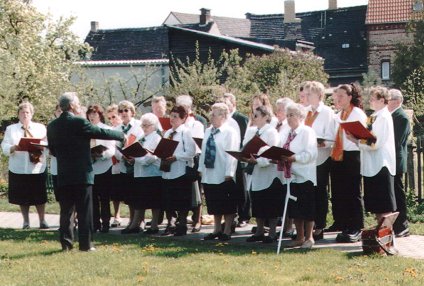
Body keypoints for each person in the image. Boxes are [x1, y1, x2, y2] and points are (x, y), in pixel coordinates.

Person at [47, 92, 125, 251]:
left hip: (64, 173)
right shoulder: (79, 121)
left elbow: (53, 150)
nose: (79, 105)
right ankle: (86, 244)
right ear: (72, 105)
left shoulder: (52, 125)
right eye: (77, 103)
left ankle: (66, 245)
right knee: (84, 210)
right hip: (82, 173)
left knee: (66, 211)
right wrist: (121, 135)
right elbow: (101, 132)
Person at [349, 86, 397, 227]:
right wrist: (355, 138)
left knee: (384, 205)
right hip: (370, 165)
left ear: (382, 100)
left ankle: (387, 237)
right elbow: (366, 138)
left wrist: (357, 141)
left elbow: (375, 142)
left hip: (381, 164)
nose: (370, 101)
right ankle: (379, 234)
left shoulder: (384, 116)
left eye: (373, 99)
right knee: (376, 205)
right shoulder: (372, 117)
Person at [1, 102, 49, 229]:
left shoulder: (40, 128)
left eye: (27, 112)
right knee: (22, 197)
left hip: (36, 168)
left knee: (39, 196)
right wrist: (13, 147)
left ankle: (42, 220)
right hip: (19, 168)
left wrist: (39, 146)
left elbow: (47, 144)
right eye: (22, 112)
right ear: (18, 115)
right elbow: (4, 146)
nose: (25, 115)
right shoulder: (11, 129)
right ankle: (26, 222)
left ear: (32, 114)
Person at [330, 83, 367, 243]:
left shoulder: (357, 113)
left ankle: (356, 227)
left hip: (353, 155)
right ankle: (344, 224)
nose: (338, 99)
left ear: (350, 97)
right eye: (336, 96)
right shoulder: (339, 114)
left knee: (353, 192)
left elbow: (364, 136)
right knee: (340, 192)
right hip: (339, 155)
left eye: (341, 96)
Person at [198, 103, 239, 241]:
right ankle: (216, 229)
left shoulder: (229, 132)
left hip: (223, 173)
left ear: (223, 116)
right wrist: (200, 169)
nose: (211, 116)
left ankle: (226, 230)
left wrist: (230, 172)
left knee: (226, 203)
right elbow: (203, 151)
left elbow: (231, 154)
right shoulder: (208, 131)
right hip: (210, 172)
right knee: (214, 202)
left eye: (214, 114)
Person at [280, 103, 317, 249]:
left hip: (304, 175)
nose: (289, 118)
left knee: (307, 207)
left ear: (301, 117)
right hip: (290, 176)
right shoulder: (287, 132)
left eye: (292, 115)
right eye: (287, 115)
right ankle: (299, 237)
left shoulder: (307, 132)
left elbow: (311, 153)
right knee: (295, 209)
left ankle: (309, 237)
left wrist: (294, 158)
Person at [244, 106, 282, 243]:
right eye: (253, 115)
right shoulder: (253, 131)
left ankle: (272, 233)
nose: (254, 118)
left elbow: (273, 152)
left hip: (268, 172)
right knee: (257, 201)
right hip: (255, 171)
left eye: (257, 115)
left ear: (266, 117)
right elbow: (245, 147)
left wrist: (258, 160)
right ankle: (259, 230)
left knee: (270, 203)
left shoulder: (271, 132)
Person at [303, 81, 335, 241]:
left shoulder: (327, 112)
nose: (307, 97)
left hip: (321, 157)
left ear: (320, 95)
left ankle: (320, 225)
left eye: (310, 94)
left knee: (319, 192)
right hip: (306, 159)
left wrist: (318, 142)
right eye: (306, 94)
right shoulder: (305, 111)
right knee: (307, 192)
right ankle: (307, 226)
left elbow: (330, 137)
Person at [161, 105, 196, 236]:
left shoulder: (185, 132)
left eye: (176, 117)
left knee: (181, 200)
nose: (172, 119)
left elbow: (191, 152)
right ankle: (170, 223)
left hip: (180, 170)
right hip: (167, 170)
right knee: (168, 199)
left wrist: (176, 157)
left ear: (183, 118)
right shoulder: (167, 133)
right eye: (171, 116)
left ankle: (182, 225)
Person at [114, 100, 144, 233]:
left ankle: (140, 221)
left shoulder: (139, 125)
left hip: (137, 164)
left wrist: (134, 156)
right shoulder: (117, 129)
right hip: (124, 166)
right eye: (120, 111)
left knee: (139, 194)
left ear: (132, 112)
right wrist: (123, 156)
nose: (123, 113)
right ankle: (132, 220)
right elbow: (114, 148)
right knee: (129, 196)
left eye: (126, 110)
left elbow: (143, 143)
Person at [176, 95, 204, 233]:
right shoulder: (178, 121)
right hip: (180, 159)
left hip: (195, 157)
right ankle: (181, 219)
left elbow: (197, 142)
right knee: (183, 192)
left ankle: (197, 219)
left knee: (196, 190)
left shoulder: (196, 123)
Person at [131, 113, 163, 234]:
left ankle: (154, 225)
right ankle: (135, 224)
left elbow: (151, 158)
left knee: (154, 201)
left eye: (146, 125)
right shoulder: (141, 137)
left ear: (153, 126)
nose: (144, 128)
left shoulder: (156, 138)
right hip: (140, 173)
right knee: (140, 200)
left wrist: (136, 159)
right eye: (142, 125)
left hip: (152, 174)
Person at [86, 105, 116, 233]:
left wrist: (102, 155)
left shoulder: (106, 129)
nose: (92, 116)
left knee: (104, 198)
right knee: (92, 199)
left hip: (104, 167)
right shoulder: (85, 130)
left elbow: (112, 149)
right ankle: (95, 223)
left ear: (100, 115)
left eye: (95, 113)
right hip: (90, 168)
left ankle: (106, 224)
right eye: (90, 114)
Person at [222, 92, 249, 228]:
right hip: (226, 157)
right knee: (231, 189)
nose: (225, 108)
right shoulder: (223, 120)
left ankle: (244, 216)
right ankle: (232, 215)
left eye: (227, 105)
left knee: (241, 187)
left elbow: (245, 138)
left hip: (239, 156)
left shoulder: (240, 118)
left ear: (234, 105)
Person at [388, 89, 411, 237]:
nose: (386, 102)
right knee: (393, 193)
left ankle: (403, 226)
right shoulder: (391, 115)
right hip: (390, 161)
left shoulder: (401, 117)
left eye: (388, 99)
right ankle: (395, 224)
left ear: (397, 101)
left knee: (398, 193)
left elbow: (396, 141)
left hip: (396, 161)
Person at [105, 104, 124, 227]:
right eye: (110, 118)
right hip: (112, 164)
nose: (112, 120)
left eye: (114, 117)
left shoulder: (123, 129)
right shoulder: (109, 130)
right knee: (114, 192)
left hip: (124, 161)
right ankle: (116, 215)